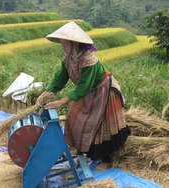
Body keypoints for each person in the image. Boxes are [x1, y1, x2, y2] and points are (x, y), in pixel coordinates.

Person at [37, 21, 130, 171]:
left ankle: (106, 161)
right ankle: (84, 153)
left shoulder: (89, 61)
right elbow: (60, 78)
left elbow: (83, 87)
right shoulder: (68, 58)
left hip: (104, 91)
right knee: (74, 118)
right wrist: (47, 93)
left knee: (102, 126)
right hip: (89, 92)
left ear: (74, 44)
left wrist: (62, 102)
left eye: (64, 43)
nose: (62, 46)